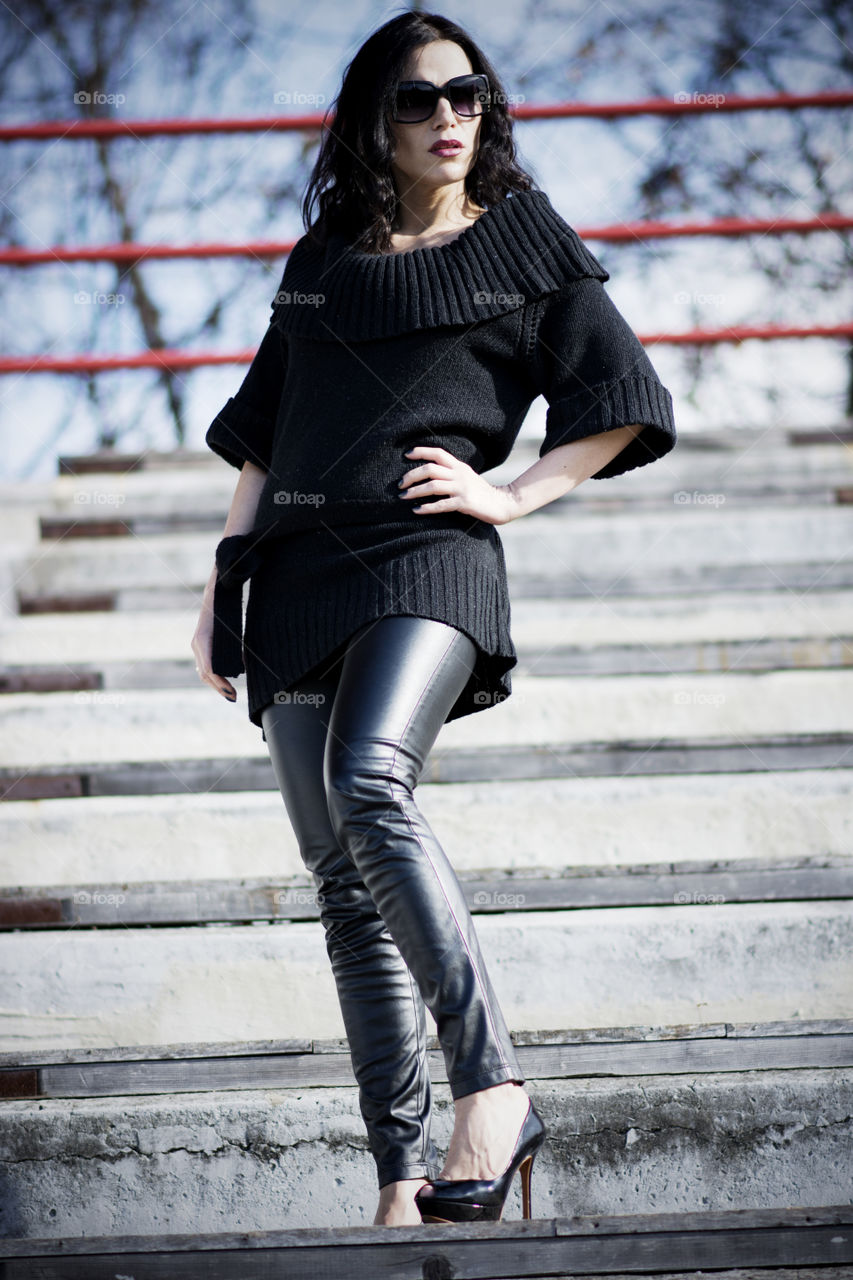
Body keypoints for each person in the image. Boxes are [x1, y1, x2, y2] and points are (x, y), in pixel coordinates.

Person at [191, 10, 676, 1228]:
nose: (451, 116)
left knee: (370, 783)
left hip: (429, 559)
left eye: (469, 94)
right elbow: (263, 429)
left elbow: (621, 393)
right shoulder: (323, 259)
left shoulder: (521, 235)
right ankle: (399, 1176)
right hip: (297, 575)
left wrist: (506, 494)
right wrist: (220, 584)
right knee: (340, 885)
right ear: (374, 119)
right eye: (420, 99)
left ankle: (494, 1085)